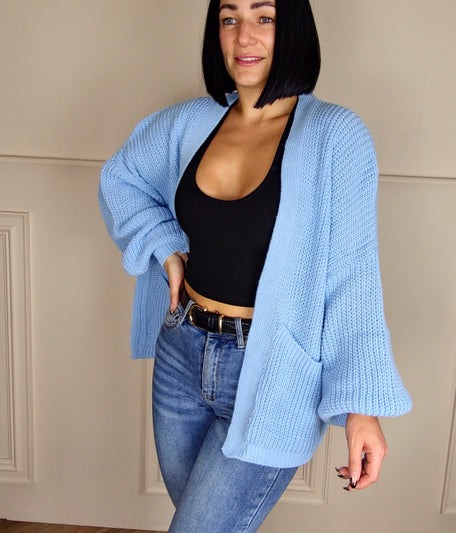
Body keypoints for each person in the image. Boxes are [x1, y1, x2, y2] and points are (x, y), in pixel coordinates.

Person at [99, 0, 412, 531]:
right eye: (230, 18)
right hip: (180, 354)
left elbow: (353, 276)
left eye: (264, 17)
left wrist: (361, 407)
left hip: (270, 375)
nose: (243, 36)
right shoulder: (190, 122)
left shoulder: (336, 136)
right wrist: (164, 246)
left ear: (293, 29)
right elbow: (121, 179)